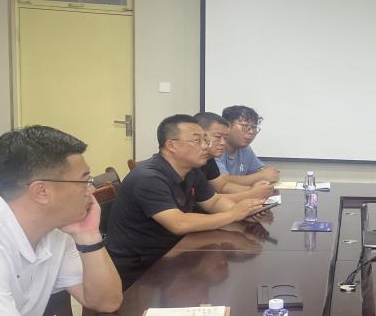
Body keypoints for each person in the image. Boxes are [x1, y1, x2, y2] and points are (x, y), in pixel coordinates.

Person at [0, 126, 226, 316]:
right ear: (41, 191)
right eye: (84, 181)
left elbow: (106, 301)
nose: (91, 190)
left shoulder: (56, 232)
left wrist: (89, 237)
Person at [105, 115, 265, 288]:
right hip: (140, 268)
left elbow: (213, 201)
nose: (205, 146)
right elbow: (178, 223)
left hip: (171, 252)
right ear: (171, 145)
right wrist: (233, 214)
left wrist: (245, 211)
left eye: (206, 140)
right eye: (197, 141)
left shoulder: (191, 171)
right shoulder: (149, 178)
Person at [195, 112, 274, 202]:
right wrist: (252, 193)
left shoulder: (209, 159)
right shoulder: (191, 164)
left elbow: (222, 187)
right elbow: (212, 201)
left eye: (225, 138)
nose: (223, 143)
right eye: (218, 137)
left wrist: (256, 193)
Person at [216, 105, 279, 184]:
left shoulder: (245, 149)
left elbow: (262, 169)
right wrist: (261, 176)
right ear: (227, 126)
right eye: (245, 126)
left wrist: (266, 173)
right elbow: (221, 181)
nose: (251, 132)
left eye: (254, 127)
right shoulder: (216, 148)